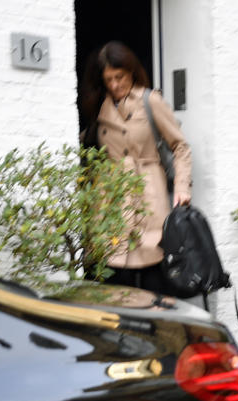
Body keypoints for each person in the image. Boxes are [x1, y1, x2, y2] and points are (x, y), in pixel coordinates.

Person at [79, 41, 192, 295]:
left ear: (131, 71)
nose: (115, 85)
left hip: (148, 196)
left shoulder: (151, 101)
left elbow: (180, 147)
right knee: (115, 278)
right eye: (108, 79)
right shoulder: (99, 106)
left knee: (155, 281)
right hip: (112, 200)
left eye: (119, 77)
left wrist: (182, 187)